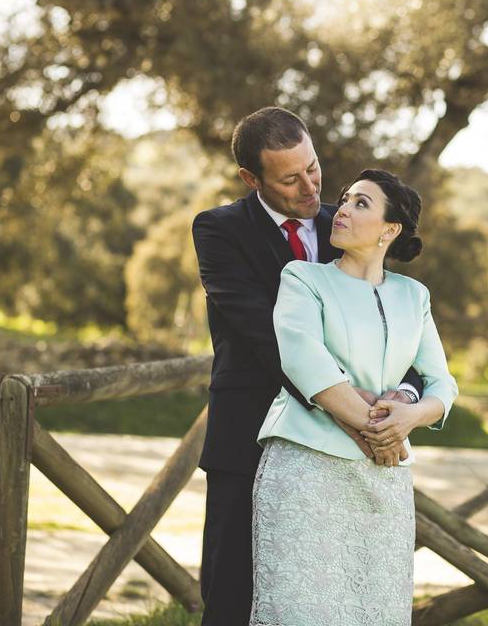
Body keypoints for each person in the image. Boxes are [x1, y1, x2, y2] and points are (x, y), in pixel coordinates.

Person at [191, 107, 424, 626]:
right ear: (252, 179)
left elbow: (400, 328)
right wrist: (353, 412)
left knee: (328, 596)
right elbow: (266, 336)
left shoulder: (346, 225)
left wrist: (400, 401)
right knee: (233, 597)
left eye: (314, 167)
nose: (310, 187)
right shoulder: (219, 230)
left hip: (345, 454)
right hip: (249, 436)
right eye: (290, 178)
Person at [249, 169, 458, 626]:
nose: (341, 208)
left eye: (361, 203)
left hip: (385, 479)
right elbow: (304, 360)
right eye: (344, 200)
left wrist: (409, 417)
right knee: (301, 609)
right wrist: (380, 430)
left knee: (374, 611)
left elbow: (441, 382)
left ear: (390, 229)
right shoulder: (302, 278)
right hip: (306, 467)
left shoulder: (414, 295)